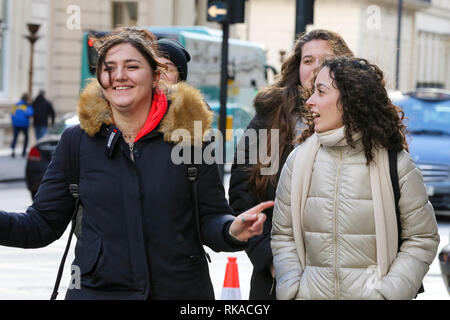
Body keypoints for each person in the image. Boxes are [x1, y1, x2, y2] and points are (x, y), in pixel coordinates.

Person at [0, 26, 273, 300]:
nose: (119, 75)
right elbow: (40, 225)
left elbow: (211, 218)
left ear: (155, 77)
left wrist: (232, 230)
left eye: (132, 66)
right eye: (109, 67)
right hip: (97, 293)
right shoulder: (77, 141)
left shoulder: (192, 139)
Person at [271, 56, 440, 300]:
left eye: (321, 92)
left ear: (350, 100)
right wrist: (293, 290)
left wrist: (387, 294)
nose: (310, 102)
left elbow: (422, 239)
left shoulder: (396, 163)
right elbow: (283, 235)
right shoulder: (298, 161)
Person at [228, 29, 353, 300]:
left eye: (326, 60)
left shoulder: (364, 120)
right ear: (297, 68)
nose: (316, 68)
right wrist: (270, 260)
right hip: (279, 277)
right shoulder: (270, 116)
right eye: (308, 60)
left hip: (349, 278)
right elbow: (242, 194)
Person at [10, 93, 34, 157]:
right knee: (26, 138)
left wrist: (14, 121)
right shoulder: (26, 106)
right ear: (27, 99)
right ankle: (23, 152)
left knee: (15, 138)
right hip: (24, 124)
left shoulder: (16, 105)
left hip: (16, 124)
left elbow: (12, 114)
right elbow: (30, 113)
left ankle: (13, 151)